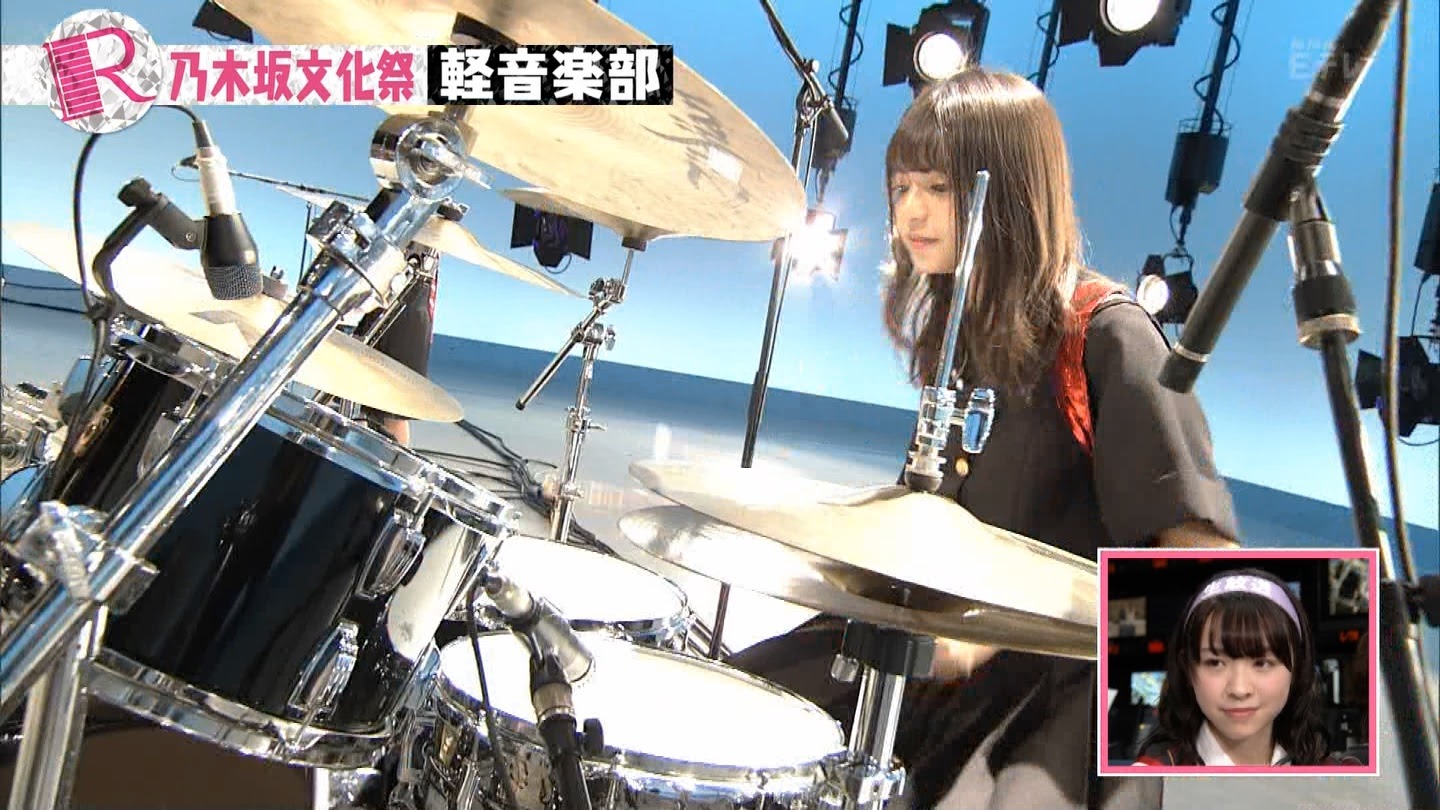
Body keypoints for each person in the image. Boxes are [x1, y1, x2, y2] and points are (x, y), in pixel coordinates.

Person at [726, 69, 1241, 810]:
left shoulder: (1106, 334)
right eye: (901, 188)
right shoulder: (968, 333)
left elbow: (1202, 568)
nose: (910, 211)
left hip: (1066, 692)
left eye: (937, 187)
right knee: (738, 712)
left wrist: (1005, 627)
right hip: (944, 662)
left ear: (1012, 193)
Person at [1133, 568, 1365, 767]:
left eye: (1262, 663)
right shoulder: (1147, 781)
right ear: (1188, 670)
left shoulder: (1341, 778)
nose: (1239, 689)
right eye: (1215, 663)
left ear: (1297, 669)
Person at [354, 243, 441, 446]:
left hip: (409, 289)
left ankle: (392, 460)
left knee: (394, 404)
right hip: (375, 276)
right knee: (355, 393)